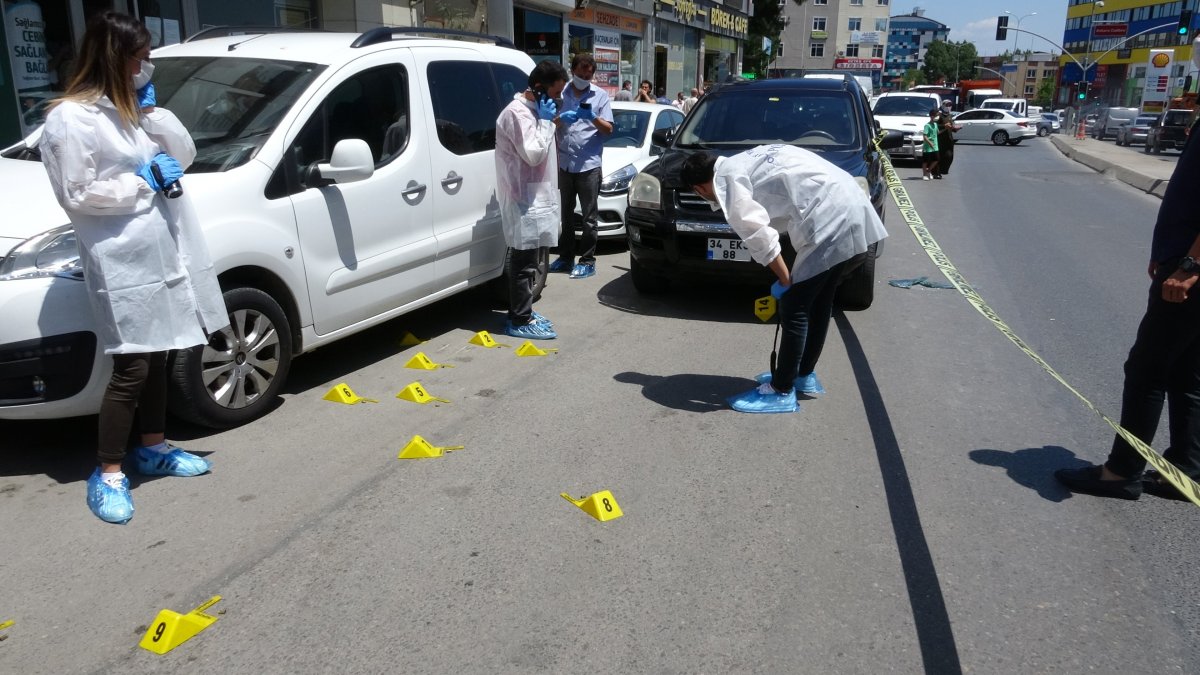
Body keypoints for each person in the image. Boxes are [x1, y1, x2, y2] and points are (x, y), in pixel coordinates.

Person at [40, 11, 228, 524]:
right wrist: (141, 182)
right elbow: (76, 194)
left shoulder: (128, 112)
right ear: (113, 57)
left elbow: (183, 155)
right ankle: (109, 471)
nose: (146, 66)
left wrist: (154, 115)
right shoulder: (69, 119)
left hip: (163, 250)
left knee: (164, 354)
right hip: (122, 261)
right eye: (140, 57)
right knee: (133, 366)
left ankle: (154, 446)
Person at [1054, 103, 1200, 502]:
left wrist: (1190, 263)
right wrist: (1166, 250)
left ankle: (1121, 472)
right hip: (1181, 256)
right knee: (1186, 370)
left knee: (1146, 370)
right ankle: (1185, 469)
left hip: (1190, 268)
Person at [679, 145, 887, 413]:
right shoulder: (743, 160)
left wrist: (785, 279)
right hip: (850, 202)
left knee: (795, 306)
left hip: (830, 218)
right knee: (820, 300)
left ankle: (781, 390)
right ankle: (802, 374)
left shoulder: (725, 181)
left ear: (699, 188)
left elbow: (758, 234)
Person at [494, 60, 568, 340]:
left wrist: (557, 119)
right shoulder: (516, 114)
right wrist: (548, 121)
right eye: (556, 93)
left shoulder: (532, 109)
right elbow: (533, 153)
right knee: (523, 261)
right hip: (522, 197)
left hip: (536, 193)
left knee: (533, 258)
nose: (558, 99)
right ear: (538, 89)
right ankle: (519, 319)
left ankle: (523, 311)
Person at [548, 53, 613, 280]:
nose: (583, 78)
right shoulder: (561, 93)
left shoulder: (600, 96)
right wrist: (560, 119)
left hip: (589, 165)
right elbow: (547, 123)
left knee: (588, 217)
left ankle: (587, 260)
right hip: (565, 164)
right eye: (579, 74)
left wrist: (592, 116)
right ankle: (565, 257)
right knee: (566, 214)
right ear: (572, 71)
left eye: (588, 75)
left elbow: (608, 130)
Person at [935, 100, 960, 177]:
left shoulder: (949, 115)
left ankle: (942, 171)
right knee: (939, 157)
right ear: (943, 105)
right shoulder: (938, 115)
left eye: (950, 105)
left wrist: (955, 128)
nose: (948, 107)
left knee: (949, 156)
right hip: (940, 140)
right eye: (947, 105)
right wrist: (944, 126)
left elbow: (951, 126)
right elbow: (934, 126)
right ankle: (936, 173)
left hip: (949, 140)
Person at [921, 108, 940, 180]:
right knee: (926, 161)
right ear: (932, 116)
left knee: (936, 159)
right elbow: (925, 136)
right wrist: (930, 143)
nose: (937, 117)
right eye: (936, 115)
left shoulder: (935, 124)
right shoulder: (927, 125)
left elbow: (937, 133)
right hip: (928, 146)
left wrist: (946, 128)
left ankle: (928, 171)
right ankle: (924, 174)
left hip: (935, 146)